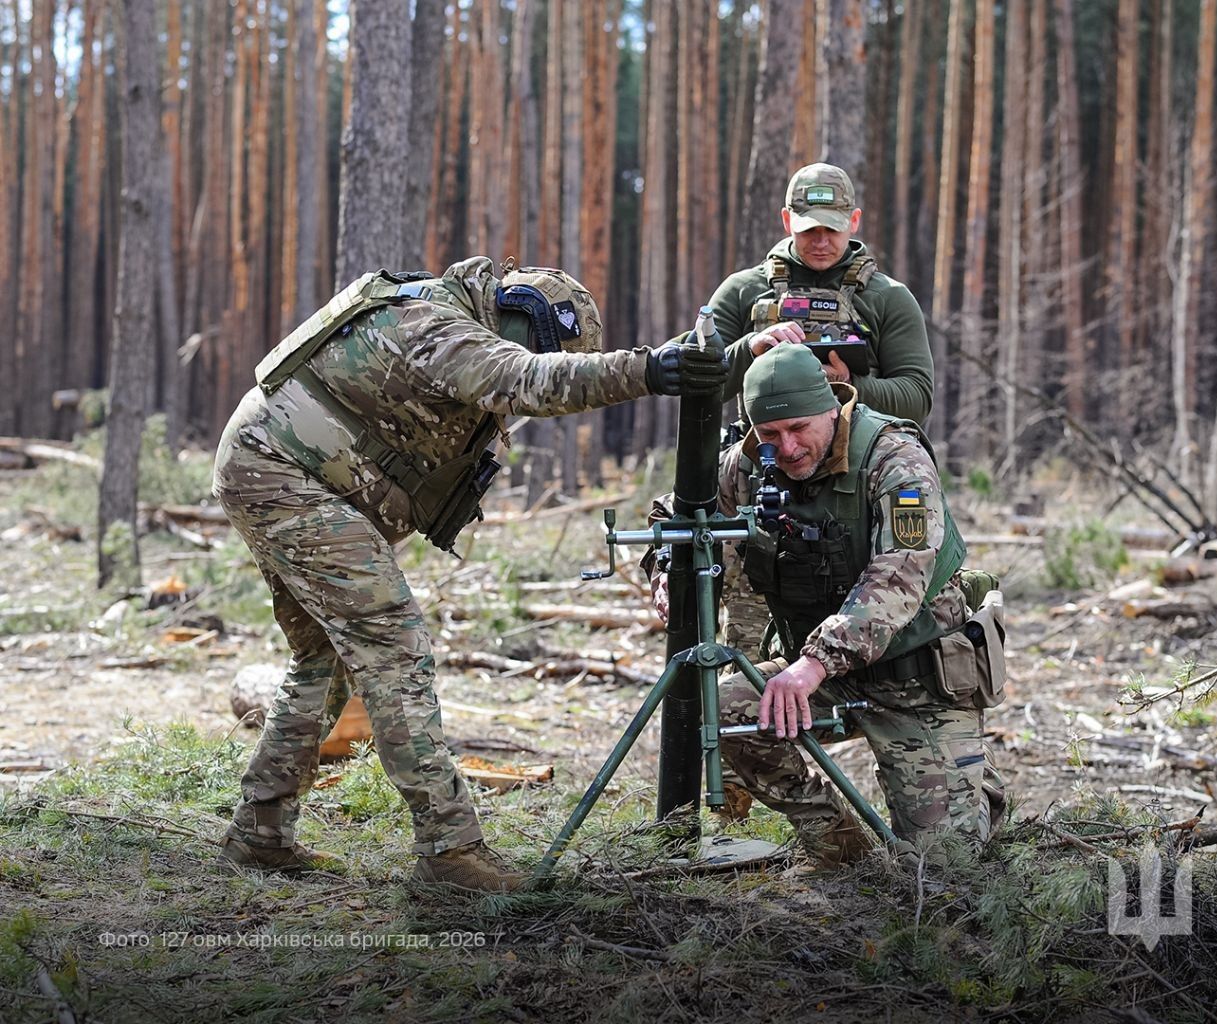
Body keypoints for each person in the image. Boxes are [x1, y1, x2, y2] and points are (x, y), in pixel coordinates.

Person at [212, 257, 726, 892]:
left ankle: (260, 833)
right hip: (281, 471)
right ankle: (449, 852)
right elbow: (528, 380)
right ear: (522, 316)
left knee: (326, 659)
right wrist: (651, 368)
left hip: (288, 471)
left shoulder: (456, 320)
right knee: (392, 649)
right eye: (542, 344)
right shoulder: (435, 324)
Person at [650, 345, 1004, 865]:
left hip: (917, 679)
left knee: (946, 862)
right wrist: (664, 566)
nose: (787, 448)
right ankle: (837, 843)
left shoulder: (894, 456)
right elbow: (677, 512)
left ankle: (977, 785)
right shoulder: (750, 465)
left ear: (831, 408)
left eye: (798, 429)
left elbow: (900, 574)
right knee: (721, 707)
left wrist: (812, 664)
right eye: (769, 435)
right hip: (824, 676)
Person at [704, 162, 936, 655]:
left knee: (869, 606)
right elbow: (694, 382)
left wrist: (846, 385)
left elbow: (917, 396)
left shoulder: (887, 299)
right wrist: (749, 348)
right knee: (746, 647)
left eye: (833, 227)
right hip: (761, 478)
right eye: (810, 229)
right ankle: (755, 709)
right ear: (787, 221)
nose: (822, 240)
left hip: (854, 483)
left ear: (854, 221)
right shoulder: (745, 292)